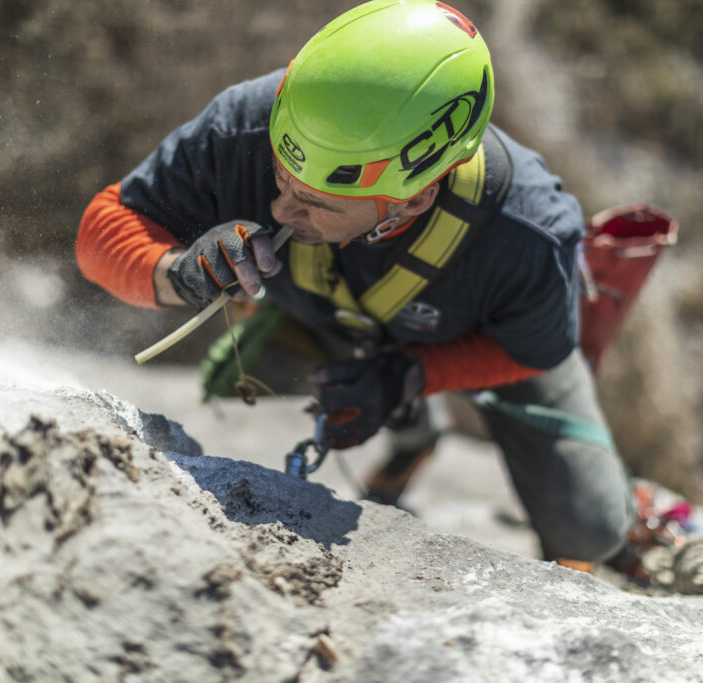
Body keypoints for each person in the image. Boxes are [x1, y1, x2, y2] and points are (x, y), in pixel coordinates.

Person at [76, 0, 632, 565]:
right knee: (232, 379)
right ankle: (416, 434)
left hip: (481, 337)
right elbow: (103, 230)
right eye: (279, 174)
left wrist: (408, 376)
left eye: (315, 203)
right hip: (330, 310)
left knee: (589, 528)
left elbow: (532, 353)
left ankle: (413, 407)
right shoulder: (250, 122)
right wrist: (181, 274)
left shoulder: (527, 232)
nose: (281, 210)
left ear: (413, 198)